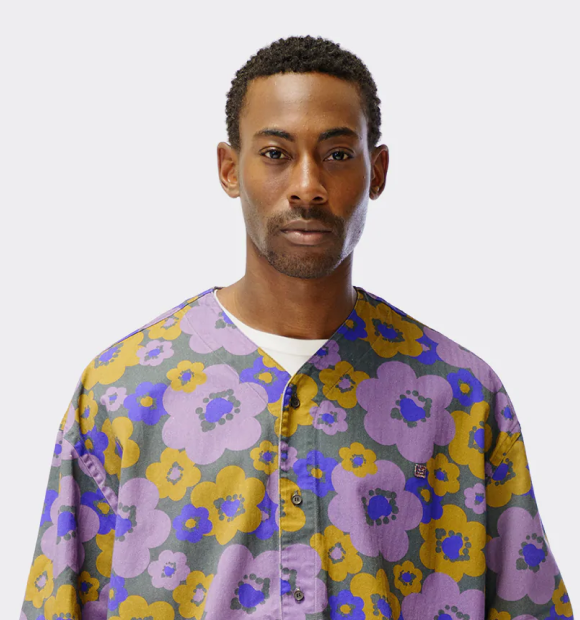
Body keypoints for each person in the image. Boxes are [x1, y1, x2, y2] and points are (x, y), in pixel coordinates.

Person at [19, 35, 573, 620]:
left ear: (377, 171)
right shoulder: (121, 392)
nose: (308, 186)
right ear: (230, 169)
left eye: (337, 154)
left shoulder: (460, 398)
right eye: (275, 153)